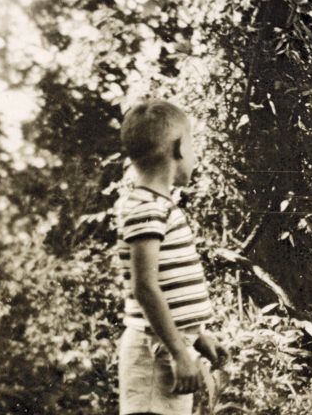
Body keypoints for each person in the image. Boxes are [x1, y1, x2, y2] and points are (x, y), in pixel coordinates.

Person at [115, 99, 227, 414]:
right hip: (155, 358)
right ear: (178, 149)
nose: (194, 154)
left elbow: (168, 287)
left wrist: (197, 336)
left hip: (165, 352)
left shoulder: (157, 206)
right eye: (192, 145)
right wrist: (179, 351)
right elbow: (146, 288)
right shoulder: (147, 208)